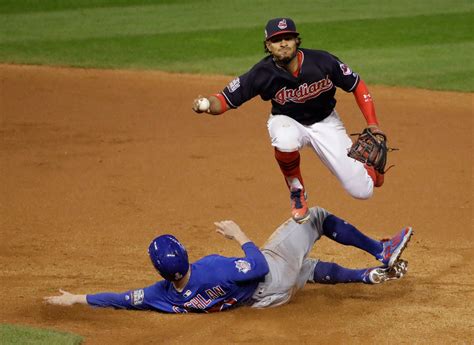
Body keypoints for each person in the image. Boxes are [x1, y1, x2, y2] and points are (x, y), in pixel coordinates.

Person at [192, 18, 388, 224]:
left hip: (326, 123)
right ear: (268, 46)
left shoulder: (322, 61)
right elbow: (223, 100)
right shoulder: (261, 73)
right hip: (287, 121)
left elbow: (356, 85)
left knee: (362, 191)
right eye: (277, 40)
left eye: (288, 38)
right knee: (284, 137)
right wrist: (204, 104)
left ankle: (371, 171)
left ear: (297, 40)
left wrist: (372, 122)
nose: (283, 43)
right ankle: (297, 192)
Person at [44, 207, 413, 313]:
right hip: (269, 278)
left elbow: (124, 299)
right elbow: (258, 266)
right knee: (314, 217)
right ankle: (380, 251)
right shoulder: (210, 268)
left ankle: (367, 276)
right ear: (186, 255)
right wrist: (239, 235)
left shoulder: (166, 297)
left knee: (310, 269)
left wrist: (77, 298)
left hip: (261, 301)